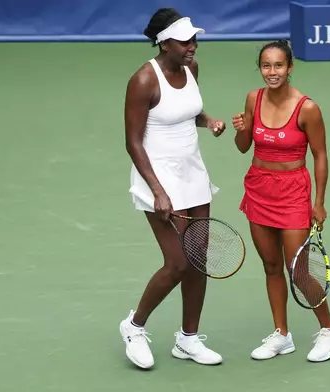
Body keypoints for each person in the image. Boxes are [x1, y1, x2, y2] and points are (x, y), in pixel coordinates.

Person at [120, 8, 226, 370]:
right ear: (164, 43)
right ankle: (134, 327)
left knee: (198, 260)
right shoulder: (143, 81)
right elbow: (133, 142)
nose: (192, 46)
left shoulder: (191, 69)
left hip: (193, 174)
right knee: (178, 262)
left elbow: (185, 110)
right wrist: (158, 191)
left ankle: (188, 339)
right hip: (159, 179)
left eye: (194, 40)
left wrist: (207, 120)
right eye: (185, 41)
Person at [231, 40, 330, 363]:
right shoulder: (254, 98)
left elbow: (320, 155)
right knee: (270, 266)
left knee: (298, 270)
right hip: (259, 189)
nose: (272, 72)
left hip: (294, 192)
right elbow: (243, 146)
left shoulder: (307, 108)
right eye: (266, 66)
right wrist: (241, 130)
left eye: (278, 65)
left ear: (290, 68)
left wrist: (319, 202)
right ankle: (281, 334)